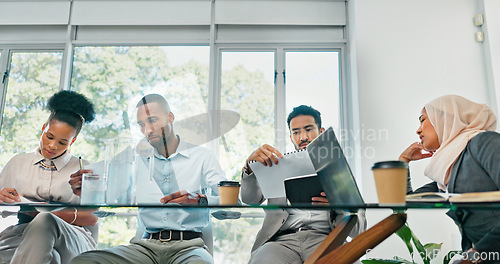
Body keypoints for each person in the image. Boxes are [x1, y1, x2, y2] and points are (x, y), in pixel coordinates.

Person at [69, 94, 227, 264]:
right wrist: (90, 191)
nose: (147, 130)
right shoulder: (135, 161)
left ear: (170, 117)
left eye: (152, 120)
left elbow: (233, 207)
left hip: (189, 248)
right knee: (84, 261)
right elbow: (107, 207)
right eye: (141, 124)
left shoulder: (202, 157)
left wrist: (202, 200)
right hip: (145, 247)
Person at [241, 105, 366, 264]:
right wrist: (249, 166)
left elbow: (359, 231)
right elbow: (249, 199)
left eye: (308, 129)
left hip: (326, 239)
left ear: (321, 132)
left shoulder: (339, 170)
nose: (303, 137)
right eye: (296, 132)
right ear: (291, 137)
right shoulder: (276, 166)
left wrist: (339, 205)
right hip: (281, 242)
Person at [0, 90, 98, 264]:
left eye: (62, 142)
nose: (52, 146)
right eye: (50, 136)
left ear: (72, 142)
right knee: (52, 259)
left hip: (74, 237)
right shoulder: (18, 163)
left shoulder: (83, 168)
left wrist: (45, 212)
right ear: (43, 130)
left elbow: (92, 218)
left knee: (45, 219)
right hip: (22, 234)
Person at [399, 95, 500, 263]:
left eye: (422, 120)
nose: (418, 130)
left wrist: (474, 255)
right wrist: (403, 161)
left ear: (445, 119)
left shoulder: (484, 142)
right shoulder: (446, 172)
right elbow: (405, 202)